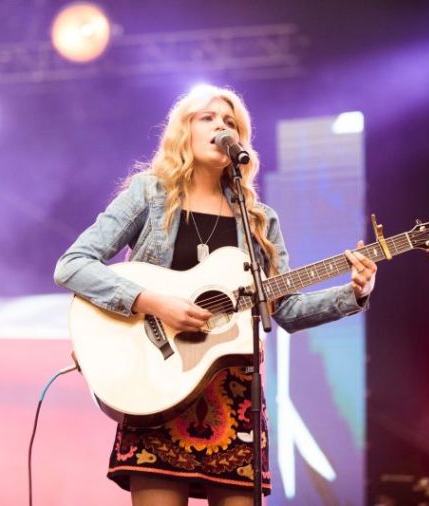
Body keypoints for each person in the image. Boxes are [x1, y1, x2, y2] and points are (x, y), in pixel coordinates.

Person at [53, 85, 377, 506]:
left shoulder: (259, 219)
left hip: (233, 397)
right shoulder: (151, 195)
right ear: (182, 131)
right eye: (208, 118)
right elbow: (73, 264)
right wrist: (151, 301)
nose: (221, 127)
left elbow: (287, 310)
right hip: (155, 384)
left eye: (231, 123)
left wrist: (353, 293)